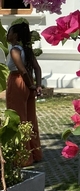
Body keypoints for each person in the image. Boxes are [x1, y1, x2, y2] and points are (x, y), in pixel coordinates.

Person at [6, 21, 43, 165]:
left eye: (9, 32)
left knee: (18, 118)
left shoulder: (15, 50)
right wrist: (37, 85)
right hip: (28, 85)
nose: (7, 35)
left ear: (15, 35)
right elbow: (37, 68)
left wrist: (32, 85)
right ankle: (35, 153)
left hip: (18, 82)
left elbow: (22, 70)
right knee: (30, 118)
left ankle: (23, 158)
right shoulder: (26, 50)